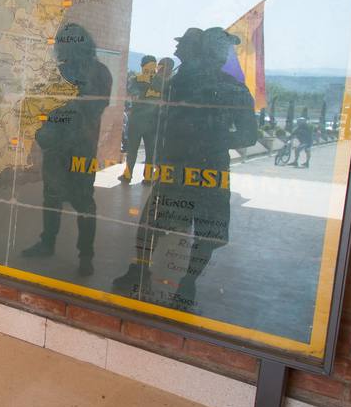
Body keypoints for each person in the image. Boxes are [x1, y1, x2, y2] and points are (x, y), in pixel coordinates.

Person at [110, 27, 258, 310]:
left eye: (225, 48)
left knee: (200, 230)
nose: (223, 53)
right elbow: (160, 121)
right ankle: (152, 274)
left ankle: (184, 282)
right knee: (159, 222)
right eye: (221, 47)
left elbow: (248, 135)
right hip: (191, 169)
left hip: (202, 169)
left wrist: (206, 138)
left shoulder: (202, 86)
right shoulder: (184, 84)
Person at [19, 23, 112, 277]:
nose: (59, 48)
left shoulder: (97, 73)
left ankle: (85, 255)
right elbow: (41, 106)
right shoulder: (61, 73)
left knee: (84, 202)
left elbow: (94, 108)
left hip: (80, 147)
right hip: (58, 146)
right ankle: (49, 243)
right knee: (53, 198)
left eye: (62, 43)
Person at [120, 55, 167, 184]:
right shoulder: (154, 82)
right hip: (147, 122)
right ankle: (144, 177)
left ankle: (132, 176)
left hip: (141, 122)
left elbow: (132, 93)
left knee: (136, 150)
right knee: (145, 151)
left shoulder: (149, 81)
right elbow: (134, 93)